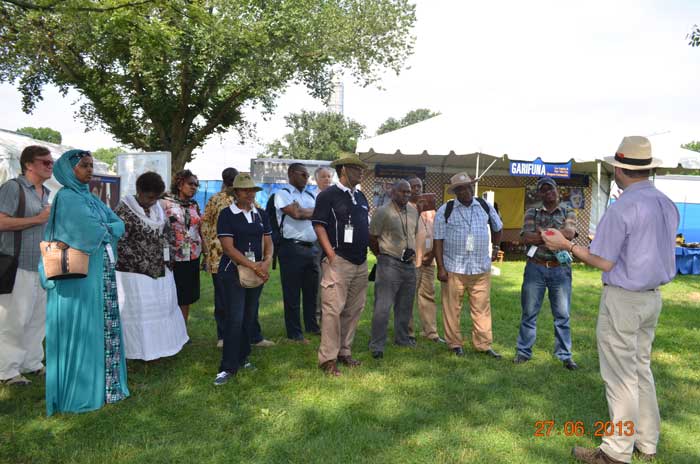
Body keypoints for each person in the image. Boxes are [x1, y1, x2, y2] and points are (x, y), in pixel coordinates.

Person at [542, 136, 679, 464]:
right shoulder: (665, 203)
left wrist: (566, 245)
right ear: (648, 167)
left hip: (625, 299)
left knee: (620, 378)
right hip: (651, 297)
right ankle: (647, 443)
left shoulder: (624, 208)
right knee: (640, 369)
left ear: (619, 169)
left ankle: (616, 452)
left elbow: (603, 260)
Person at [42, 149, 129, 415]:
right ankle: (78, 391)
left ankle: (106, 386)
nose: (89, 170)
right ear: (69, 169)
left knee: (99, 324)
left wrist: (107, 228)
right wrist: (107, 228)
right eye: (84, 166)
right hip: (78, 278)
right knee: (83, 327)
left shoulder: (87, 197)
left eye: (91, 166)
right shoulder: (67, 197)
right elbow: (91, 231)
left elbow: (119, 223)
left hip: (97, 273)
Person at [114, 172, 189, 361]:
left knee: (163, 310)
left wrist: (168, 256)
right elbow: (119, 242)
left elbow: (168, 234)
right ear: (139, 191)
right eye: (149, 197)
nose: (152, 201)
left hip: (160, 270)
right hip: (134, 274)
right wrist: (144, 260)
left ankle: (163, 347)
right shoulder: (123, 210)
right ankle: (137, 351)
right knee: (140, 313)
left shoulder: (158, 209)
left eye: (156, 197)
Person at [434, 172, 503, 358]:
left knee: (481, 308)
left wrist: (496, 247)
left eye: (469, 187)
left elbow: (498, 227)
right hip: (453, 268)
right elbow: (438, 240)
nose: (466, 191)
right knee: (451, 308)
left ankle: (484, 345)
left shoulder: (484, 206)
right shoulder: (445, 210)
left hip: (480, 267)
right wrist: (440, 267)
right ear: (455, 191)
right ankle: (454, 344)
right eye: (461, 188)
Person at [213, 174, 273, 386]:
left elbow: (268, 240)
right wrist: (253, 266)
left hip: (255, 273)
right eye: (245, 190)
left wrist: (266, 261)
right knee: (234, 319)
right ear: (236, 192)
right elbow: (228, 248)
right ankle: (228, 367)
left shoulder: (261, 214)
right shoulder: (227, 214)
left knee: (249, 316)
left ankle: (243, 357)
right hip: (233, 273)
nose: (250, 194)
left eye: (252, 190)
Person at [312, 154, 369, 376]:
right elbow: (318, 225)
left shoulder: (361, 196)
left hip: (360, 261)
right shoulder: (328, 195)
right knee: (332, 310)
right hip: (339, 261)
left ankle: (345, 352)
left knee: (354, 310)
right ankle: (328, 359)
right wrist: (331, 255)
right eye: (356, 169)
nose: (361, 172)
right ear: (344, 169)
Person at [0, 145, 53, 386]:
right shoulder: (13, 188)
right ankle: (8, 371)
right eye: (45, 162)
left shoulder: (46, 193)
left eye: (51, 162)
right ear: (29, 165)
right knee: (13, 320)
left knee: (37, 317)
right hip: (16, 262)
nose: (50, 165)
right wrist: (38, 219)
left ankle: (32, 362)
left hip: (41, 265)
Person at [514, 176, 579, 370]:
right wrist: (554, 235)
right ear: (539, 193)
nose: (547, 192)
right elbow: (526, 237)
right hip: (536, 267)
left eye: (550, 189)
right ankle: (523, 352)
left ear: (556, 190)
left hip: (560, 269)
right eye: (543, 190)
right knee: (529, 312)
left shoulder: (569, 211)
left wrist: (542, 233)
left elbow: (569, 234)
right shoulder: (531, 212)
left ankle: (564, 355)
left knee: (562, 314)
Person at [368, 179, 419, 359]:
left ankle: (402, 339)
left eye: (408, 192)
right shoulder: (382, 212)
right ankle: (377, 345)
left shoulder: (413, 211)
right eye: (402, 192)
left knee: (405, 305)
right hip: (389, 263)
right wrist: (381, 255)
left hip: (409, 265)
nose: (406, 194)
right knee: (383, 306)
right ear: (392, 192)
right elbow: (372, 237)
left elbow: (413, 234)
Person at [275, 163, 321, 343]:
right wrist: (306, 212)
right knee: (292, 293)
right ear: (291, 174)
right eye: (303, 174)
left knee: (311, 291)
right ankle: (295, 333)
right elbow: (296, 214)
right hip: (291, 248)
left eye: (307, 175)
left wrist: (305, 211)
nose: (306, 177)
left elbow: (318, 214)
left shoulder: (309, 195)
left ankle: (311, 326)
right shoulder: (282, 194)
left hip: (311, 248)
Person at [162, 170, 204, 325]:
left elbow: (200, 229)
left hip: (192, 255)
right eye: (190, 184)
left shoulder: (194, 205)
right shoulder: (164, 203)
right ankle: (168, 330)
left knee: (186, 296)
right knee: (171, 294)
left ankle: (182, 332)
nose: (194, 187)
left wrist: (205, 253)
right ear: (180, 184)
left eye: (196, 185)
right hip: (172, 256)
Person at [201, 167, 237, 348]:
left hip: (242, 256)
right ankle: (223, 335)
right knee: (222, 297)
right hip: (219, 255)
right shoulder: (216, 199)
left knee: (242, 295)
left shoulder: (243, 198)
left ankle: (245, 333)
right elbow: (206, 225)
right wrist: (207, 252)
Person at [407, 177, 444, 344]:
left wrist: (432, 256)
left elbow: (437, 234)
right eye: (413, 187)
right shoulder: (405, 209)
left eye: (419, 186)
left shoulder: (431, 210)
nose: (416, 189)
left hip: (430, 260)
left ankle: (430, 332)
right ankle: (408, 332)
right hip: (411, 261)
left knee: (428, 295)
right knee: (408, 296)